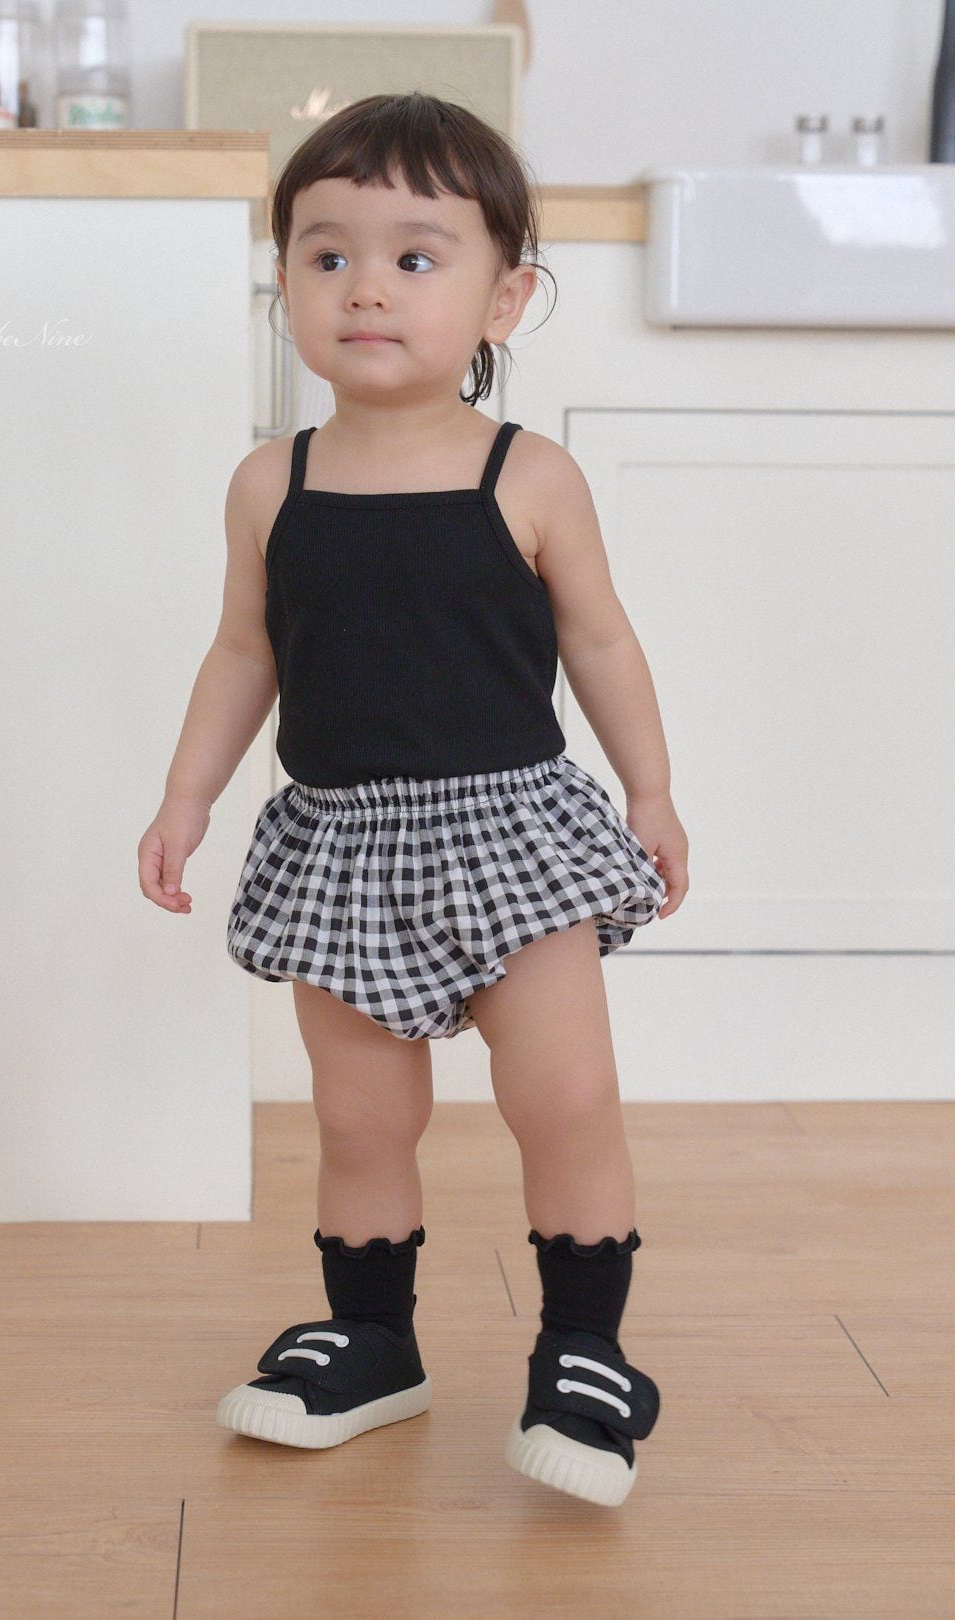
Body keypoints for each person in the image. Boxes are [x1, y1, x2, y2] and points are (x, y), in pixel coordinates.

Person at [137, 92, 689, 1508]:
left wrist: (652, 789)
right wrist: (188, 798)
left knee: (566, 1097)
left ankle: (585, 1351)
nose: (366, 286)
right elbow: (244, 652)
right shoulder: (270, 484)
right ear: (284, 285)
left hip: (514, 838)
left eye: (415, 257)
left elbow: (602, 642)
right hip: (341, 847)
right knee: (362, 1120)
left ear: (506, 297)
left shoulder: (530, 475)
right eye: (327, 256)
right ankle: (374, 1339)